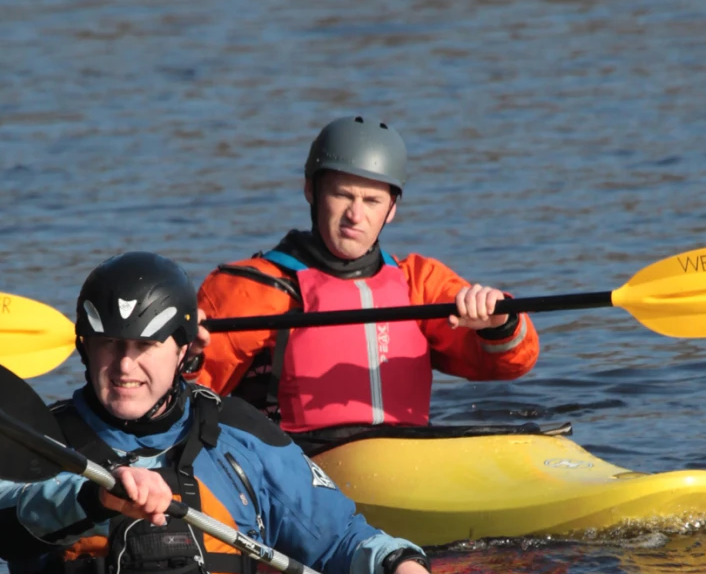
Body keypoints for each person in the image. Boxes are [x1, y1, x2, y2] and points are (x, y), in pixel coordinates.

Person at [0, 251, 466, 574]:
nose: (125, 366)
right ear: (86, 348)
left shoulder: (240, 434)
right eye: (109, 345)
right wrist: (93, 499)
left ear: (183, 350)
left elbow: (338, 537)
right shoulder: (39, 438)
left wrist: (406, 570)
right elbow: (2, 520)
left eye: (145, 346)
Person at [196, 115, 540, 433]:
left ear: (392, 209)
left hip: (410, 459)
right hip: (296, 468)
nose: (355, 215)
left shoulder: (419, 283)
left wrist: (499, 324)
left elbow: (509, 366)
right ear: (311, 192)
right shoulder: (251, 289)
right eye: (343, 195)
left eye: (372, 201)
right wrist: (184, 355)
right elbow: (182, 397)